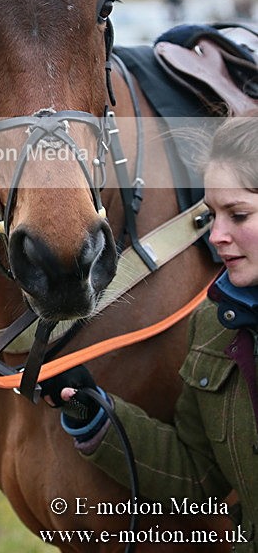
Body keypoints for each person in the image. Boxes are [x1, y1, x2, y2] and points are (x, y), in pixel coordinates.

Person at [44, 115, 258, 550]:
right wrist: (96, 415)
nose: (216, 235)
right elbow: (199, 477)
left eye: (238, 215)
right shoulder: (214, 326)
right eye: (211, 214)